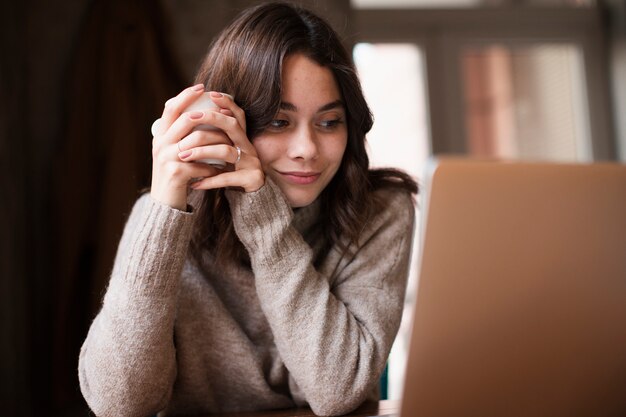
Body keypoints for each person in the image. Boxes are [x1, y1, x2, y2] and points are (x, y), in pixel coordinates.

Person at [78, 2, 418, 416]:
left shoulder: (380, 211)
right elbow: (118, 404)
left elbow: (338, 389)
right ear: (229, 121)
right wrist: (164, 210)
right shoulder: (159, 217)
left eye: (329, 122)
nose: (307, 150)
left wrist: (263, 217)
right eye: (278, 121)